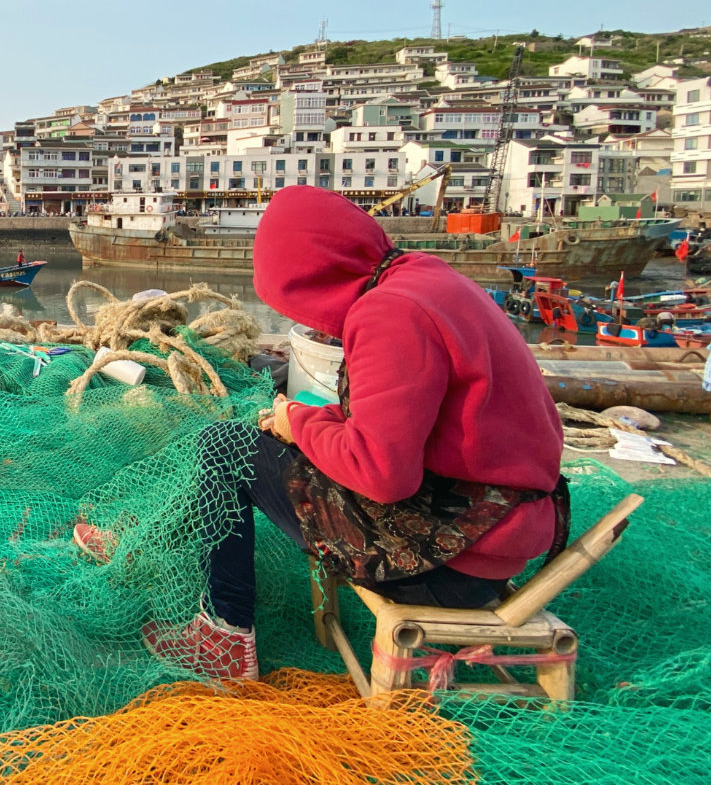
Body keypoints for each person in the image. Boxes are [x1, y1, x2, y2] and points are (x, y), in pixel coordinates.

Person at [75, 186, 565, 681]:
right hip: (485, 529)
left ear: (306, 276)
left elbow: (382, 476)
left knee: (222, 447)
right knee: (251, 437)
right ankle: (147, 543)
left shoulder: (390, 313)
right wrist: (304, 424)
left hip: (449, 564)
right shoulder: (423, 279)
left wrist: (301, 422)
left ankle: (223, 635)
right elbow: (405, 418)